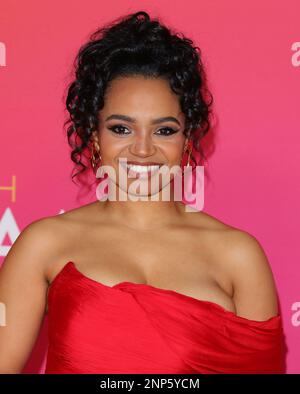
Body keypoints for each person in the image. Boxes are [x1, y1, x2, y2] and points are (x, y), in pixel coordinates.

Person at [0, 10, 284, 374]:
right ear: (94, 135)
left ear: (187, 137)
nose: (143, 149)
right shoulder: (44, 244)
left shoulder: (239, 255)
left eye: (164, 130)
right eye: (121, 129)